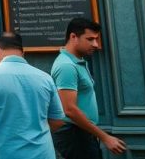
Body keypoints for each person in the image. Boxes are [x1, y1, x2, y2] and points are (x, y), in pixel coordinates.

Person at [0, 32, 64, 159]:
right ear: (23, 53)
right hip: (43, 153)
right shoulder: (46, 78)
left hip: (4, 153)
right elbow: (58, 120)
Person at [52, 18, 126, 157]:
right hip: (74, 134)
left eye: (96, 39)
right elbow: (69, 109)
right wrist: (105, 137)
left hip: (83, 132)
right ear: (73, 37)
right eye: (90, 39)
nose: (96, 44)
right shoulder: (66, 66)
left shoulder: (77, 62)